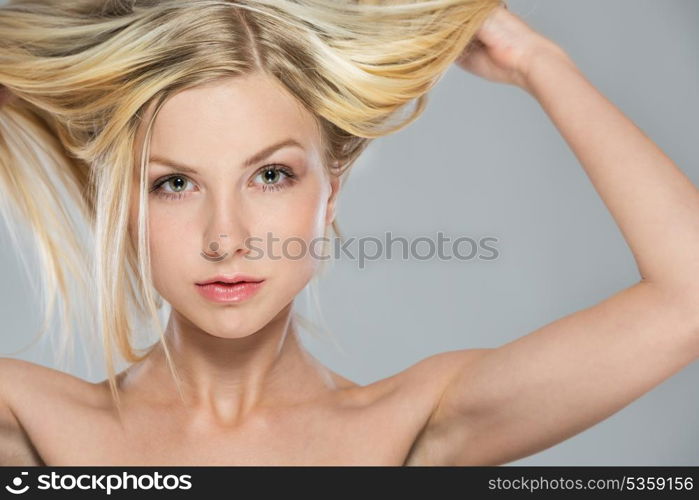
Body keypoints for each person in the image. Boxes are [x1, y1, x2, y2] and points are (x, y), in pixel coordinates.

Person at [0, 0, 697, 466]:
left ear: (329, 194)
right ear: (122, 206)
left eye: (270, 176)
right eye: (173, 184)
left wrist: (537, 63)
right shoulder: (31, 422)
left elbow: (687, 298)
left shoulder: (411, 425)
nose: (225, 237)